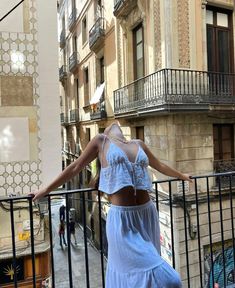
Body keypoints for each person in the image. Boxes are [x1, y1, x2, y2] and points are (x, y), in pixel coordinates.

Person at [30, 121, 192, 287]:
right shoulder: (101, 141)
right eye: (111, 124)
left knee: (144, 268)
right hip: (122, 220)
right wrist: (46, 190)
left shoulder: (138, 143)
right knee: (169, 279)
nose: (115, 124)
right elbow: (75, 167)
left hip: (146, 214)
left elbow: (160, 165)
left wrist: (182, 175)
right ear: (107, 130)